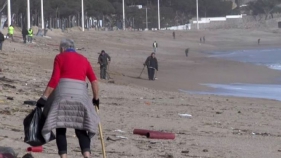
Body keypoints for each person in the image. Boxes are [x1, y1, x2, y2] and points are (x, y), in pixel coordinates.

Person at [37, 39, 100, 158]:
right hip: (80, 98)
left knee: (60, 127)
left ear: (62, 49)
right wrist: (96, 99)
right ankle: (87, 155)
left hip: (62, 96)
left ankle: (64, 156)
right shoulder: (84, 59)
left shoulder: (59, 57)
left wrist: (44, 97)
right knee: (81, 128)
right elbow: (94, 81)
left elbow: (55, 79)